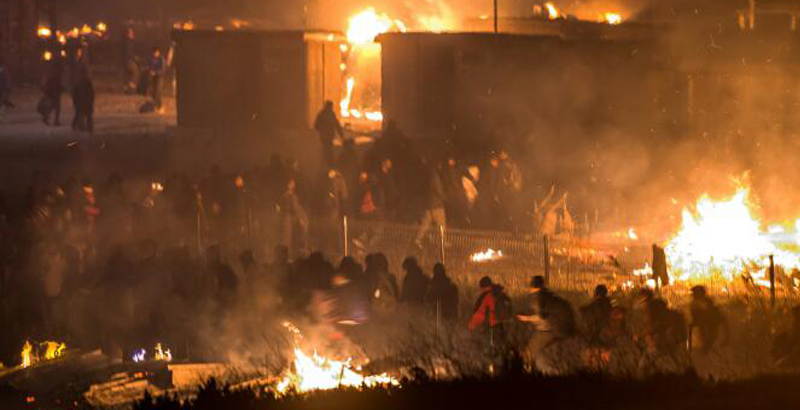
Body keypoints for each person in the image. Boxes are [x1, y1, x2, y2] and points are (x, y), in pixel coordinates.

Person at [635, 288, 687, 374]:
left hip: (664, 348)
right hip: (670, 348)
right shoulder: (672, 315)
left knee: (643, 366)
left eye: (643, 301)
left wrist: (645, 337)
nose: (642, 305)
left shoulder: (656, 315)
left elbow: (651, 330)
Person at [468, 276, 512, 347]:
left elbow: (479, 314)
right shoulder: (501, 293)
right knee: (503, 347)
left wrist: (471, 326)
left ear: (482, 287)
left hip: (492, 327)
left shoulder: (485, 296)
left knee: (493, 349)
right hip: (505, 326)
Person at [414, 164, 447, 248]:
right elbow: (439, 191)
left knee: (425, 224)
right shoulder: (436, 177)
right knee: (441, 225)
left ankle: (417, 240)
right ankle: (442, 242)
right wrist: (445, 198)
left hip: (429, 205)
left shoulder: (428, 177)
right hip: (437, 205)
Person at [688, 286, 726, 355]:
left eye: (695, 293)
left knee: (708, 341)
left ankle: (704, 349)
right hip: (705, 325)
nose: (693, 295)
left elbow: (705, 315)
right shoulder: (696, 303)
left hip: (709, 324)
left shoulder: (705, 303)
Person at [278, 179, 309, 256]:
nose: (294, 184)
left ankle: (285, 256)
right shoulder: (290, 196)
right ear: (288, 185)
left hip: (286, 219)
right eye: (292, 183)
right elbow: (295, 208)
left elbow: (279, 208)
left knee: (287, 239)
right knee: (287, 239)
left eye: (293, 183)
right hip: (288, 219)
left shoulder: (284, 196)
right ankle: (286, 257)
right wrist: (301, 219)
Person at [314, 101, 344, 165]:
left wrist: (322, 130)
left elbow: (316, 126)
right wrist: (341, 134)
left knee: (326, 149)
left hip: (325, 136)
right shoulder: (330, 114)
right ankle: (329, 163)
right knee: (328, 149)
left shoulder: (322, 114)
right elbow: (337, 124)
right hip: (328, 135)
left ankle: (326, 163)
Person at [71, 53, 95, 133]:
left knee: (84, 115)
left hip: (84, 101)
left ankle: (87, 128)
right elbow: (76, 93)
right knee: (81, 114)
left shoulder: (85, 82)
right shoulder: (81, 82)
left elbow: (91, 92)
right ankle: (79, 127)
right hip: (82, 101)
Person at [41, 60, 64, 126]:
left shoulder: (53, 74)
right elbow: (55, 84)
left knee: (54, 107)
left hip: (54, 92)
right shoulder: (55, 75)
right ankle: (53, 120)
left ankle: (51, 119)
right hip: (54, 93)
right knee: (56, 107)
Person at [122, 28, 138, 93]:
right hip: (129, 60)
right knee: (135, 73)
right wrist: (134, 58)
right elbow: (129, 53)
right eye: (131, 33)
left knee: (128, 75)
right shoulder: (129, 42)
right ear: (128, 34)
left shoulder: (126, 42)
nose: (133, 34)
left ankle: (126, 89)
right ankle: (131, 89)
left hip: (126, 60)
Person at [149, 47, 166, 112]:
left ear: (158, 52)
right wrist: (151, 71)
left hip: (160, 77)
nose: (154, 54)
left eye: (155, 52)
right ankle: (156, 107)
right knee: (153, 92)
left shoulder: (161, 59)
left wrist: (155, 73)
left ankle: (160, 107)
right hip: (154, 78)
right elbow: (150, 66)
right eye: (153, 53)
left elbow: (163, 70)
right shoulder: (152, 59)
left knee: (158, 92)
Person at [0, 57, 12, 123]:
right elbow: (7, 78)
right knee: (2, 103)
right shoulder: (4, 68)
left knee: (2, 103)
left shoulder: (3, 69)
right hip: (3, 88)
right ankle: (1, 117)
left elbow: (6, 78)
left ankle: (1, 117)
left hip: (2, 88)